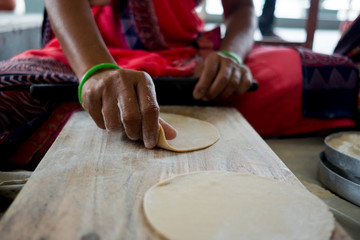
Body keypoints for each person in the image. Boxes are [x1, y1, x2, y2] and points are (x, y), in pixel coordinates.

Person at [0, 0, 358, 169]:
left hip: (188, 57)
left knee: (336, 76)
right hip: (90, 52)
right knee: (11, 96)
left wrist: (231, 57)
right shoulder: (92, 58)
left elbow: (241, 9)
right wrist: (96, 70)